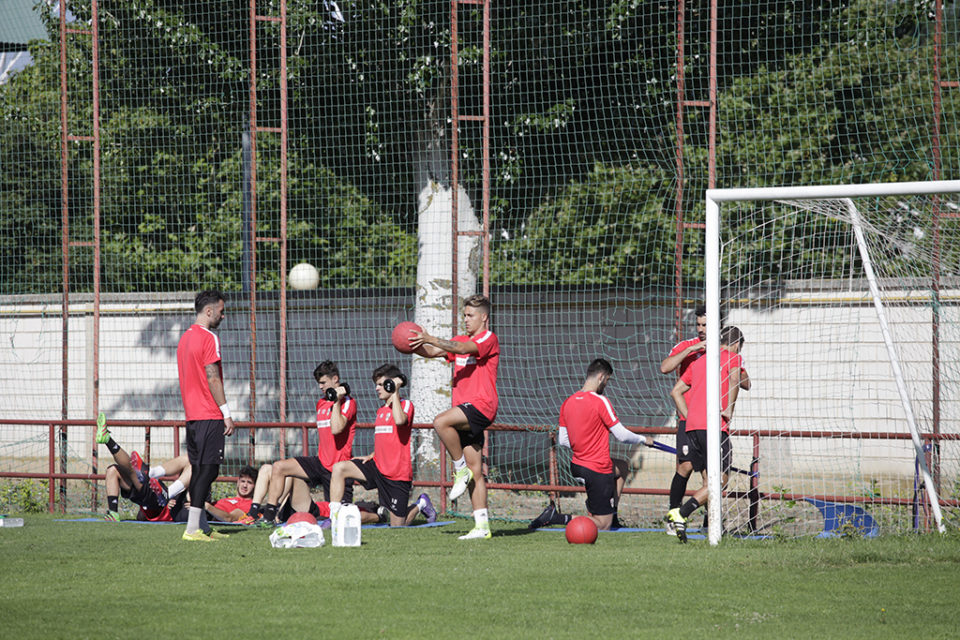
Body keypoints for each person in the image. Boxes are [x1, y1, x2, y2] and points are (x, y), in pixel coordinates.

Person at [408, 294, 500, 540]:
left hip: (481, 406)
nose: (466, 319)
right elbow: (432, 351)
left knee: (440, 422)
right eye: (464, 315)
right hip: (464, 410)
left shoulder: (488, 338)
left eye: (470, 315)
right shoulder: (458, 340)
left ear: (484, 317)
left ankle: (459, 469)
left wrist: (430, 337)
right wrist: (413, 342)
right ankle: (482, 526)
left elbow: (460, 348)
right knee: (476, 471)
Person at [529, 359, 652, 531]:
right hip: (597, 469)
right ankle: (556, 517)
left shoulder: (568, 402)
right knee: (603, 525)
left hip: (577, 466)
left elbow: (563, 440)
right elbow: (621, 435)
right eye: (607, 380)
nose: (606, 384)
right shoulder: (600, 401)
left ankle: (612, 513)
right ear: (601, 377)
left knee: (622, 467)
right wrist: (644, 439)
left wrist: (584, 443)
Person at [660, 304, 750, 535]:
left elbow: (743, 381)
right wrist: (692, 349)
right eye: (698, 324)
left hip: (705, 422)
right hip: (692, 421)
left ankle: (710, 523)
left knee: (709, 476)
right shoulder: (690, 347)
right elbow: (665, 368)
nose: (701, 329)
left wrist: (736, 363)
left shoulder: (724, 353)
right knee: (686, 467)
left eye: (705, 325)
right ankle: (675, 515)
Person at [328, 364, 437, 527]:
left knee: (398, 526)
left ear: (391, 384)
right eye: (376, 384)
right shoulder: (381, 410)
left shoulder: (406, 405)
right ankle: (334, 516)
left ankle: (420, 504)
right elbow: (386, 440)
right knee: (339, 468)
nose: (377, 388)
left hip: (397, 474)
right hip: (377, 467)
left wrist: (395, 391)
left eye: (381, 384)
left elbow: (399, 421)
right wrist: (372, 454)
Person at [256, 361, 357, 525]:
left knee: (342, 518)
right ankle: (268, 516)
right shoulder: (321, 403)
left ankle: (377, 514)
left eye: (323, 382)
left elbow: (337, 429)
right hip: (320, 462)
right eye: (319, 383)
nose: (320, 387)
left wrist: (337, 401)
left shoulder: (348, 402)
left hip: (339, 468)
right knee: (279, 467)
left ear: (335, 379)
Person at [176, 289, 236, 542]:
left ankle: (202, 526)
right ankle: (192, 530)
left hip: (192, 417)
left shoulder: (185, 338)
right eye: (221, 311)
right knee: (209, 470)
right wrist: (226, 413)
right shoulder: (208, 337)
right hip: (209, 414)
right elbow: (213, 377)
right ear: (209, 311)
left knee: (200, 469)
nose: (223, 316)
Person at [95, 413, 193, 524]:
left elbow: (141, 517)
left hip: (160, 503)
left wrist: (194, 504)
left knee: (125, 471)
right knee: (113, 470)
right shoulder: (197, 476)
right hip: (156, 496)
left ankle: (108, 440)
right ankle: (113, 513)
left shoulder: (192, 501)